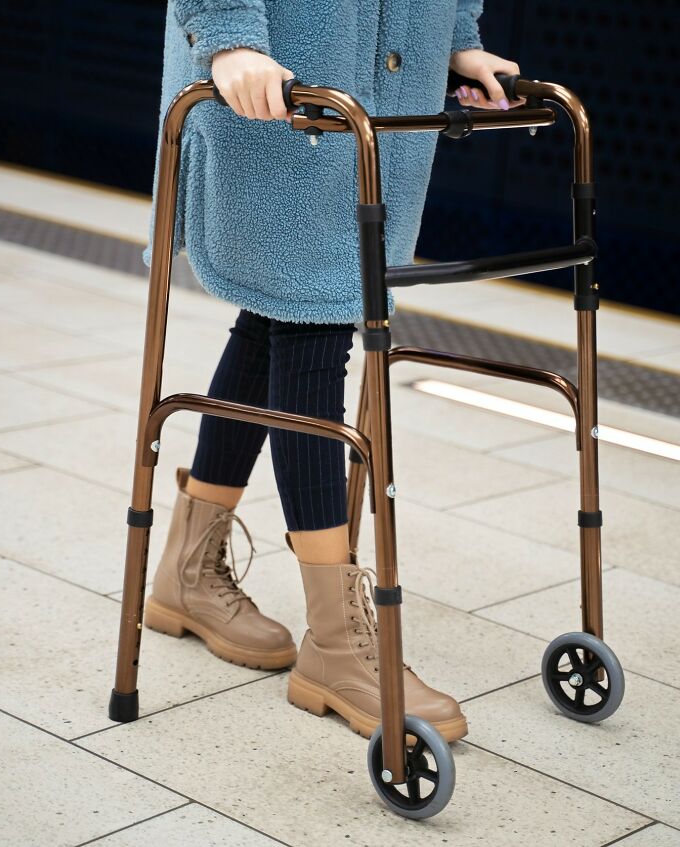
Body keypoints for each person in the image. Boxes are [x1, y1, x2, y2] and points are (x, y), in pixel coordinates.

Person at [143, 0, 522, 743]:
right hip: (276, 89)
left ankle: (186, 572)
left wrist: (459, 42)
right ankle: (337, 642)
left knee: (279, 317)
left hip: (374, 97)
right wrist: (226, 35)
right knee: (312, 324)